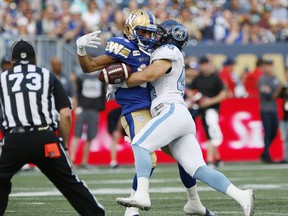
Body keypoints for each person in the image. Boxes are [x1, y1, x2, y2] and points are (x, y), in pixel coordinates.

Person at [76, 9, 214, 216]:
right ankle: (132, 211)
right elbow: (90, 67)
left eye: (150, 33)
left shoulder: (158, 50)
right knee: (149, 158)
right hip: (135, 109)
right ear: (130, 30)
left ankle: (196, 204)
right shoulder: (122, 48)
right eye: (143, 32)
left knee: (183, 157)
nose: (148, 37)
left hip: (157, 112)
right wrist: (80, 49)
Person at [116, 20, 254, 216]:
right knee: (197, 168)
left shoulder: (169, 49)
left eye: (161, 32)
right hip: (178, 114)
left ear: (171, 36)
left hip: (170, 110)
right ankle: (241, 195)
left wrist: (122, 80)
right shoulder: (168, 51)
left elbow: (150, 74)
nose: (156, 35)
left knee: (140, 144)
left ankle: (142, 194)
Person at [0, 39, 105, 216]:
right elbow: (65, 115)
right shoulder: (46, 75)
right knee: (71, 184)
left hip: (14, 140)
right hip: (45, 139)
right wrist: (63, 145)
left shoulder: (2, 79)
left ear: (12, 60)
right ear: (34, 59)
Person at [189, 55, 226, 168]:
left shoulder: (215, 78)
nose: (204, 67)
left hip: (212, 108)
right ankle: (218, 158)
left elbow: (223, 94)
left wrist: (210, 101)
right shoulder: (198, 78)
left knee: (211, 129)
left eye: (206, 64)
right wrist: (196, 98)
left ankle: (210, 159)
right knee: (207, 131)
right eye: (202, 64)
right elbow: (190, 90)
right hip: (200, 108)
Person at [70, 72, 106, 168]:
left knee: (90, 136)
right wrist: (76, 107)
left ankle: (84, 161)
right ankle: (72, 159)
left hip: (94, 109)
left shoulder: (102, 77)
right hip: (82, 108)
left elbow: (105, 91)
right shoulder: (81, 76)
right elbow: (75, 92)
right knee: (76, 134)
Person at [258, 58, 282, 163]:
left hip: (274, 109)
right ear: (264, 67)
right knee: (268, 132)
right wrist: (279, 90)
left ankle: (264, 153)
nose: (269, 68)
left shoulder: (275, 78)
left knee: (274, 132)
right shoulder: (262, 79)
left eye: (270, 65)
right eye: (267, 65)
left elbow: (278, 94)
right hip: (266, 109)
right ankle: (266, 155)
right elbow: (268, 95)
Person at [279, 65, 288, 164]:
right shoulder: (284, 86)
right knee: (285, 138)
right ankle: (286, 157)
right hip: (285, 116)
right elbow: (275, 97)